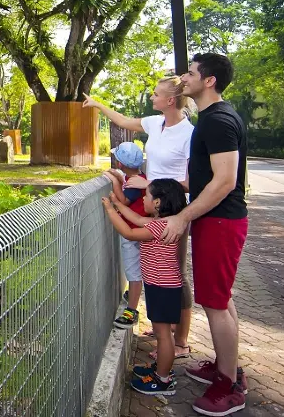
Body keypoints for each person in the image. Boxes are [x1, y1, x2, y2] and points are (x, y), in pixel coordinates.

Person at [159, 53, 249, 416]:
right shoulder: (211, 117)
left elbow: (225, 181)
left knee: (215, 302)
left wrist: (183, 216)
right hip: (215, 220)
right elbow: (204, 174)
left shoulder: (218, 121)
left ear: (209, 80)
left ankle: (229, 384)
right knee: (220, 298)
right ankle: (226, 365)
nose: (184, 78)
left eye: (192, 73)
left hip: (220, 221)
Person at [83, 77, 194, 358]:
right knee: (156, 272)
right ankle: (163, 328)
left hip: (174, 212)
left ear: (170, 101)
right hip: (150, 208)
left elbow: (193, 183)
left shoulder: (190, 134)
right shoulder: (155, 124)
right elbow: (123, 120)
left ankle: (179, 341)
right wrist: (97, 105)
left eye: (156, 95)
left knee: (175, 273)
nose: (152, 98)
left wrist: (152, 184)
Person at [102, 178, 188, 396]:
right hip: (160, 286)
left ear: (158, 202)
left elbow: (130, 233)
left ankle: (163, 379)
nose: (143, 199)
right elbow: (138, 218)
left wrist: (110, 211)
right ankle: (162, 369)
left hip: (162, 287)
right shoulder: (164, 220)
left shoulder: (160, 226)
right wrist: (117, 203)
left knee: (162, 335)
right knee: (161, 332)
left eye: (147, 196)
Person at [103, 142, 147, 329]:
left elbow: (125, 201)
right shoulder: (140, 177)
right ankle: (134, 294)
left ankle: (131, 311)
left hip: (132, 233)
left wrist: (114, 183)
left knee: (133, 273)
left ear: (121, 163)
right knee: (135, 270)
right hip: (137, 229)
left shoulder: (135, 183)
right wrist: (119, 178)